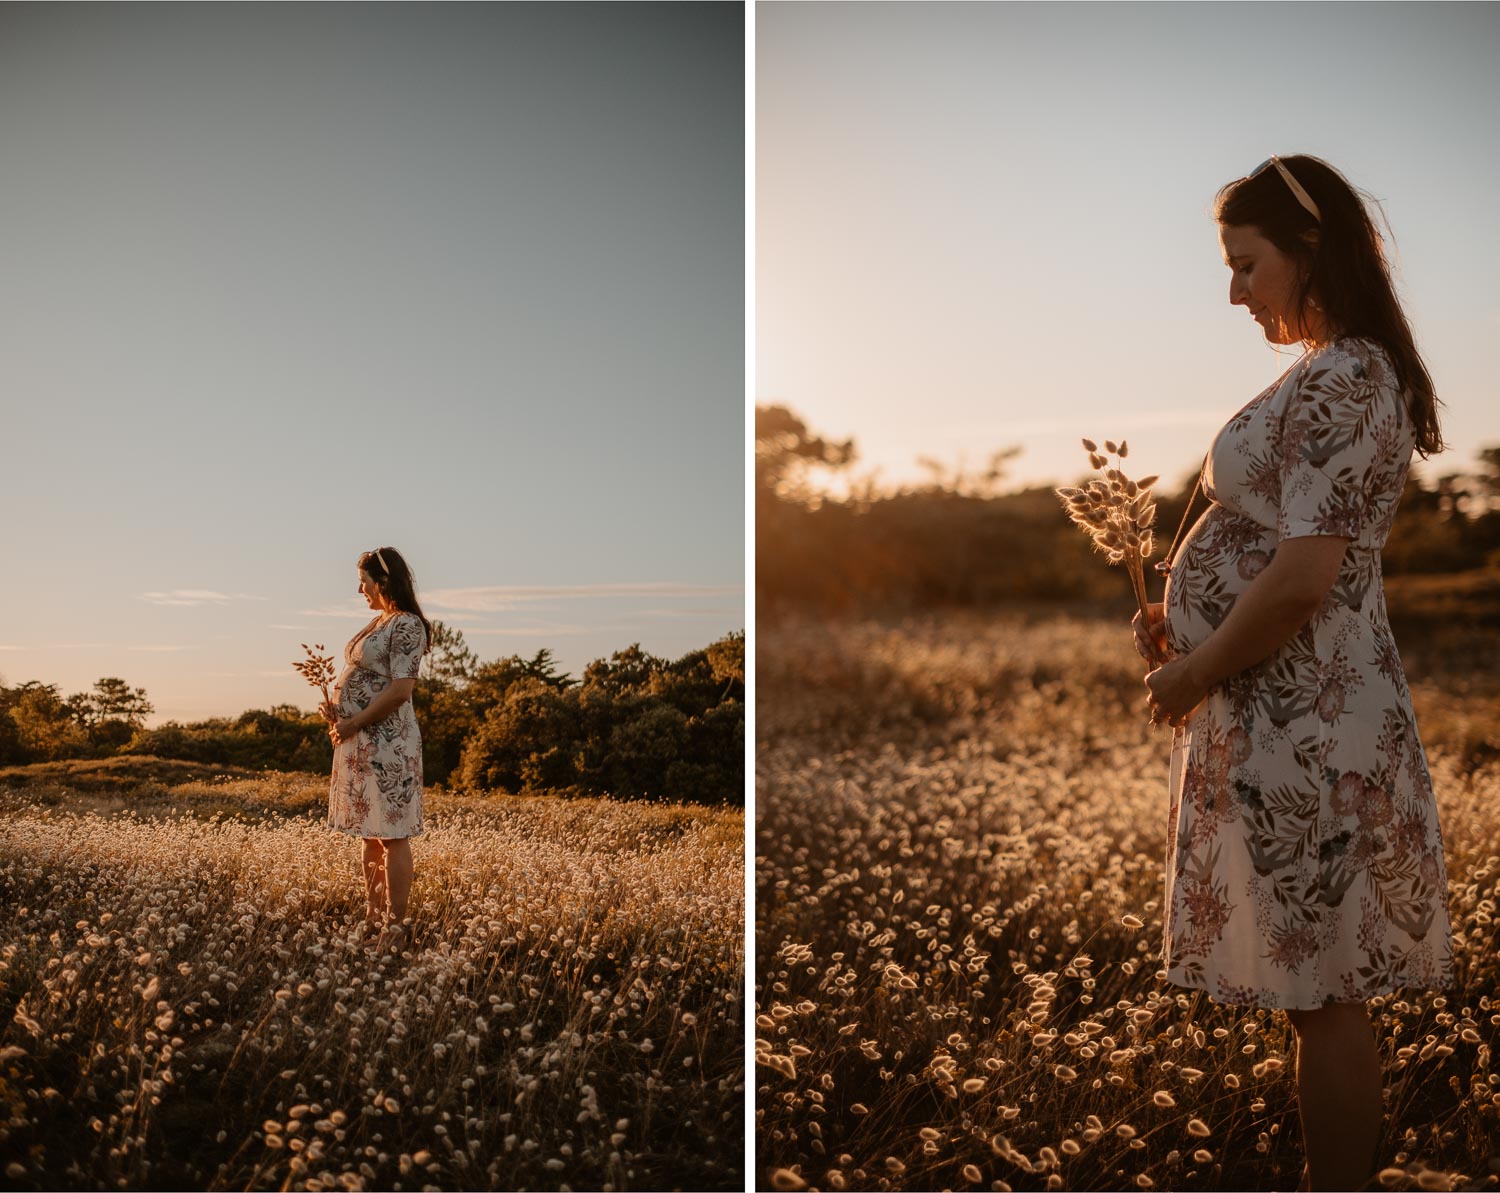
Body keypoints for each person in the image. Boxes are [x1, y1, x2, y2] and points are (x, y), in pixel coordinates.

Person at [1133, 155, 1453, 1192]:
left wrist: (1194, 673)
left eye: (1245, 263)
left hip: (1310, 722)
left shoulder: (1349, 375)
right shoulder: (1328, 368)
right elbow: (1273, 548)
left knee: (1325, 992)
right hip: (1282, 709)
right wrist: (1186, 616)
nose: (1233, 290)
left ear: (1307, 249)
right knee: (1316, 990)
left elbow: (1307, 576)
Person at [321, 546, 431, 952]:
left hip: (389, 745)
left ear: (382, 582)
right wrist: (337, 711)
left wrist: (354, 720)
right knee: (369, 835)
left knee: (393, 835)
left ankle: (396, 929)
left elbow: (400, 690)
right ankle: (372, 919)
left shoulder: (406, 626)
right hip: (360, 741)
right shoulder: (378, 622)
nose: (359, 589)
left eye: (364, 582)